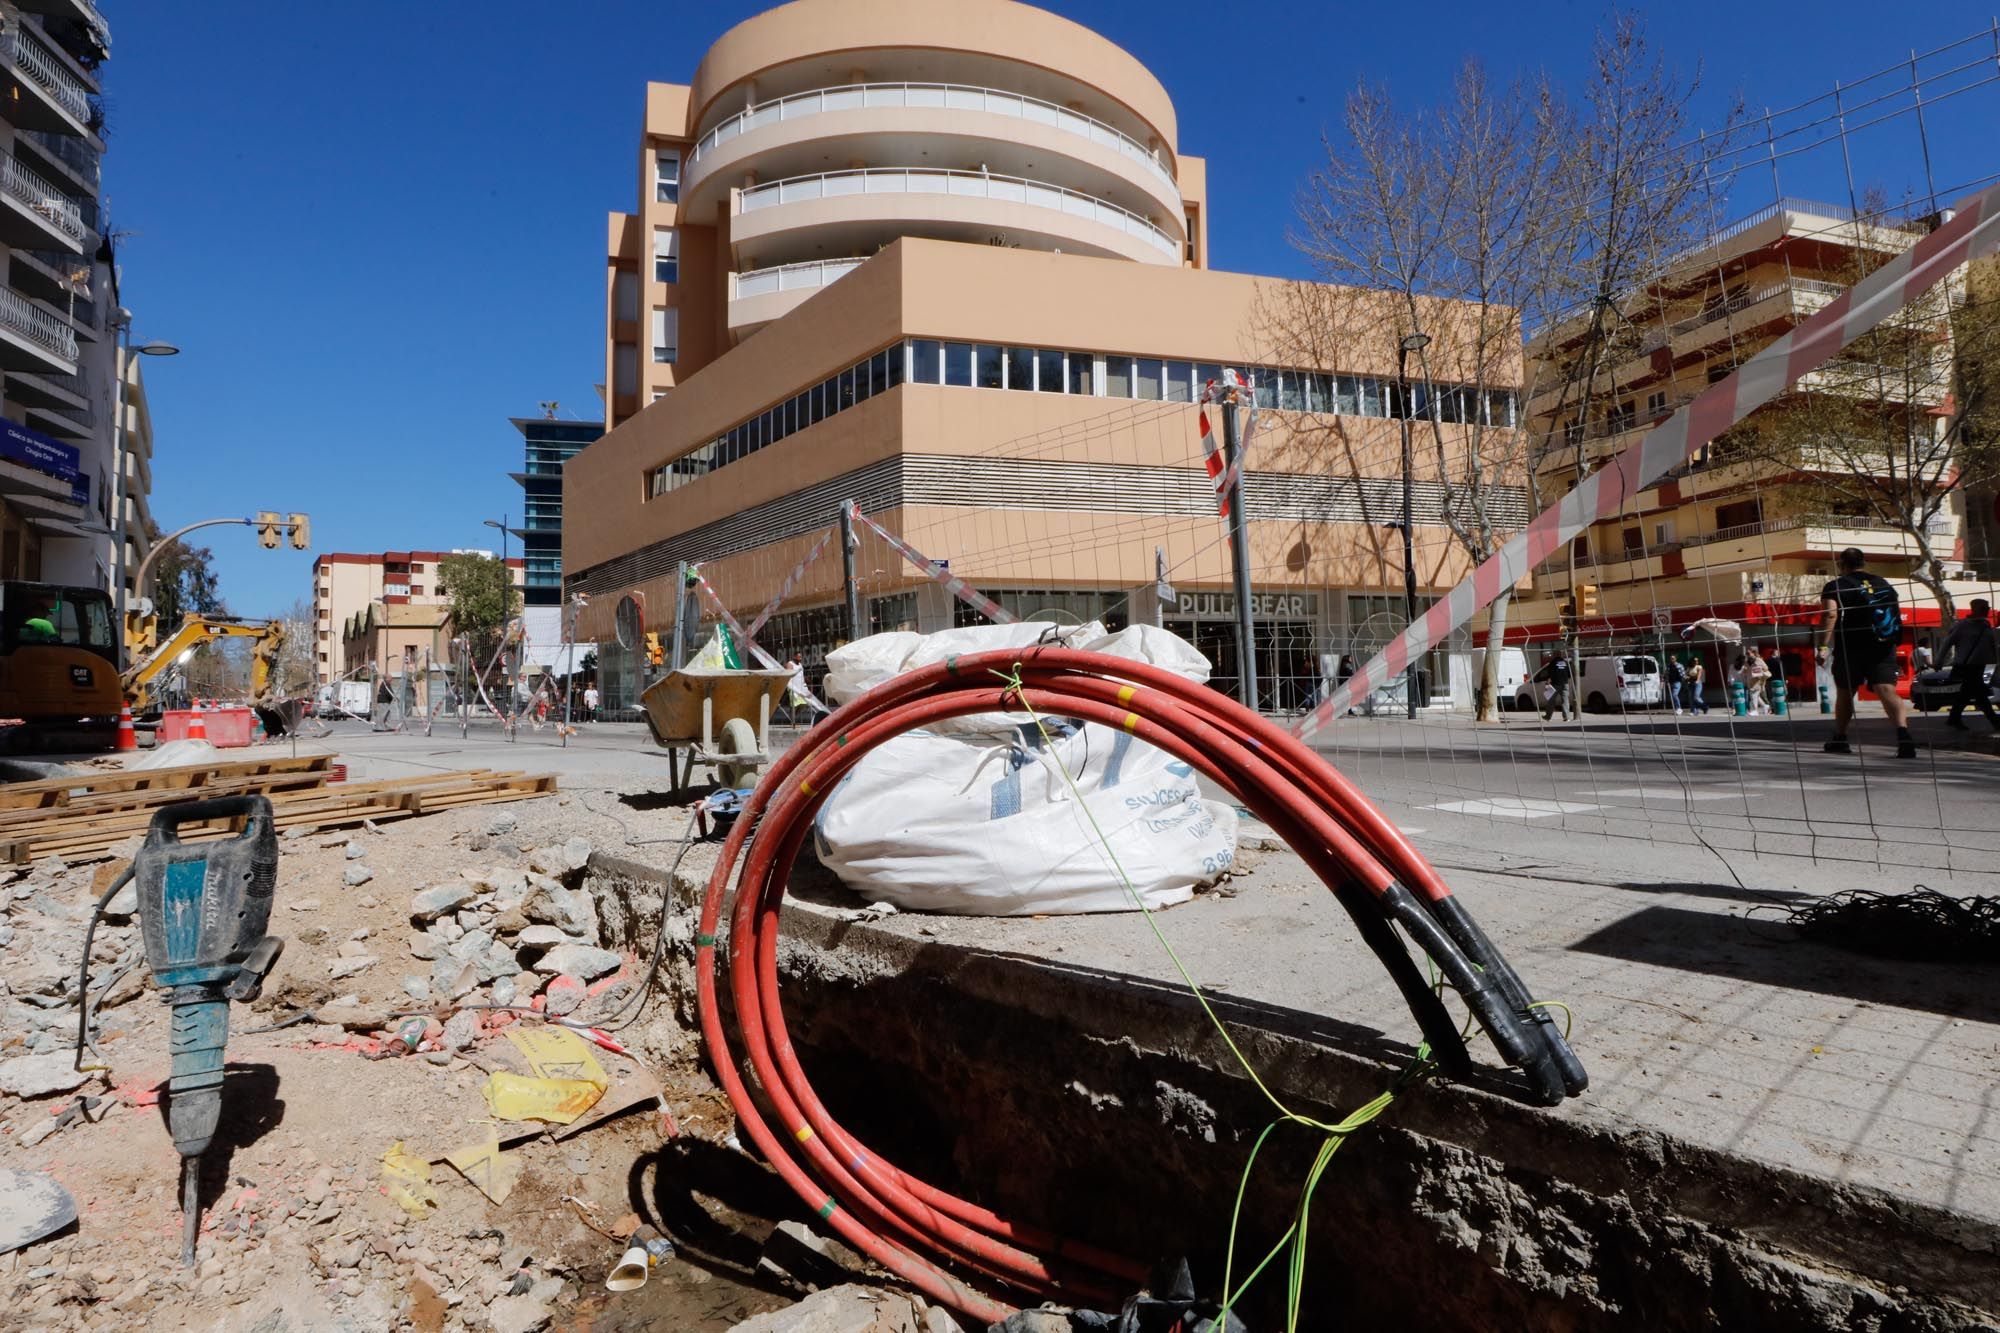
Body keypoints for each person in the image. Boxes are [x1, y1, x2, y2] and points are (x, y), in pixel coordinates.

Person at [1818, 546, 1916, 758]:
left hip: (1851, 646)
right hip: (1883, 644)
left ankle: (1841, 738)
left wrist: (1823, 646)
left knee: (1846, 691)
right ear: (1863, 563)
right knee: (1886, 690)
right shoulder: (1882, 583)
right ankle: (1903, 736)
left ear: (1842, 564)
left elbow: (1830, 615)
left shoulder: (1836, 585)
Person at [1938, 597, 1998, 731]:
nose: (1987, 611)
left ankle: (1953, 718)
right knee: (1979, 694)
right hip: (1967, 666)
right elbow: (1947, 644)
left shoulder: (1986, 625)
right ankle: (1994, 721)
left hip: (1980, 666)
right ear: (1974, 609)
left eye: (1987, 608)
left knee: (1968, 693)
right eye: (1984, 608)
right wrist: (1939, 662)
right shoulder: (1962, 626)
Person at [1532, 648, 1574, 722]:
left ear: (1555, 655)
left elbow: (1550, 674)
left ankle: (1548, 716)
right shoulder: (1565, 662)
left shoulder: (1553, 663)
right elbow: (1569, 674)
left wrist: (1548, 680)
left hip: (1555, 684)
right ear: (1560, 654)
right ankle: (1566, 717)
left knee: (1551, 700)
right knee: (1565, 700)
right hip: (1565, 683)